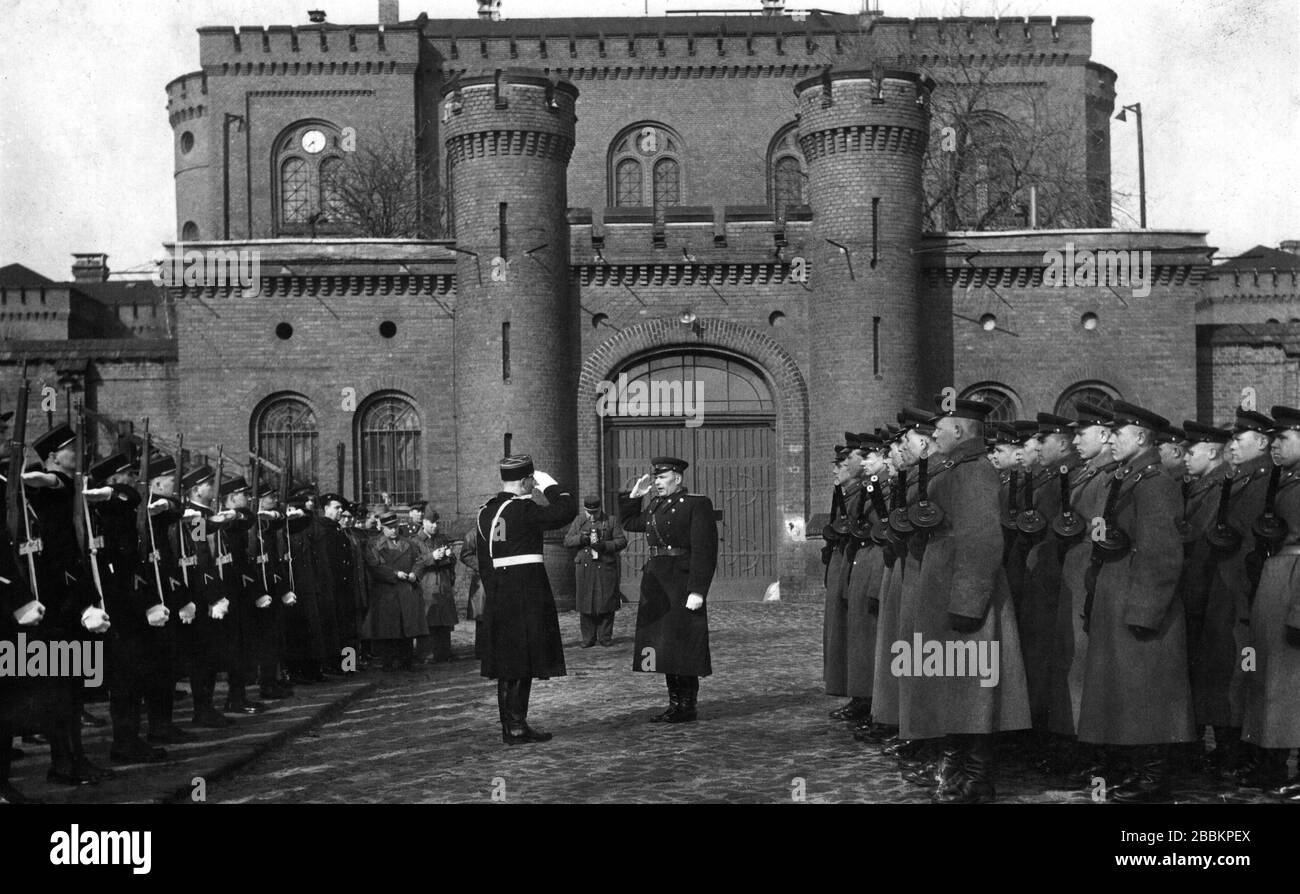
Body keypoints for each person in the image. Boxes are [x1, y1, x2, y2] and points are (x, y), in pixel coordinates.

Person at [1076, 401, 1194, 802]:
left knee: (1146, 692)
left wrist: (1145, 611)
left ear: (1141, 437)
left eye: (1119, 432)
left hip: (1139, 598)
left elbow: (1162, 554)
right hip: (1118, 592)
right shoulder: (1130, 478)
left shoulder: (1154, 482)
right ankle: (1135, 770)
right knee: (1125, 691)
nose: (1112, 438)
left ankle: (1152, 777)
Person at [476, 455, 576, 744]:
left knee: (508, 664)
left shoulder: (485, 512)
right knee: (523, 660)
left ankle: (511, 725)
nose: (533, 485)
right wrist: (551, 485)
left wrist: (496, 592)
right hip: (526, 593)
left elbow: (485, 562)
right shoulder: (522, 509)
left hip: (499, 594)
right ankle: (517, 726)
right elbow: (565, 511)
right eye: (531, 480)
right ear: (523, 481)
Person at [619, 456, 718, 724]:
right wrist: (634, 496)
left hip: (682, 583)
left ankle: (687, 705)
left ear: (678, 478)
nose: (657, 483)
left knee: (683, 646)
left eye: (662, 478)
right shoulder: (655, 506)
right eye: (656, 478)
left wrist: (698, 590)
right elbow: (629, 523)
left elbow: (704, 551)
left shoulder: (696, 504)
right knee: (664, 647)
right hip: (658, 583)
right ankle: (674, 703)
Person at [1241, 404, 1300, 799]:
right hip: (1276, 581)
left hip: (1294, 582)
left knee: (1292, 683)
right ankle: (1273, 762)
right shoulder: (1284, 480)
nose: (1274, 445)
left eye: (1284, 439)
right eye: (1273, 440)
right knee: (1272, 680)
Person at [361, 511, 428, 671]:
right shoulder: (374, 544)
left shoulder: (409, 543)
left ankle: (406, 660)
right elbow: (374, 566)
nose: (393, 530)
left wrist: (415, 574)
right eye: (389, 527)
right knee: (388, 628)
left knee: (407, 626)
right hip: (386, 591)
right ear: (382, 527)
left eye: (395, 527)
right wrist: (394, 574)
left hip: (407, 590)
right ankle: (388, 662)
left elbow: (419, 561)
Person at [563, 494, 627, 648]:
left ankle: (605, 636)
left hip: (605, 566)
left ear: (600, 509)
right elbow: (567, 541)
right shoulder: (579, 521)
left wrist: (605, 545)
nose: (592, 516)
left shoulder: (610, 520)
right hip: (585, 567)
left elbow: (622, 541)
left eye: (595, 513)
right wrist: (580, 539)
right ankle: (588, 638)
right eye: (588, 513)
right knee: (586, 602)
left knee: (606, 600)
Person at [413, 511, 458, 663]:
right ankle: (426, 653)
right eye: (431, 522)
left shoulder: (442, 538)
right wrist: (432, 557)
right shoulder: (416, 541)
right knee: (427, 619)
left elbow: (453, 560)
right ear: (423, 522)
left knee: (445, 619)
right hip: (426, 583)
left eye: (437, 523)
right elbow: (416, 562)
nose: (434, 526)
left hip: (443, 582)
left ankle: (444, 652)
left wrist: (449, 555)